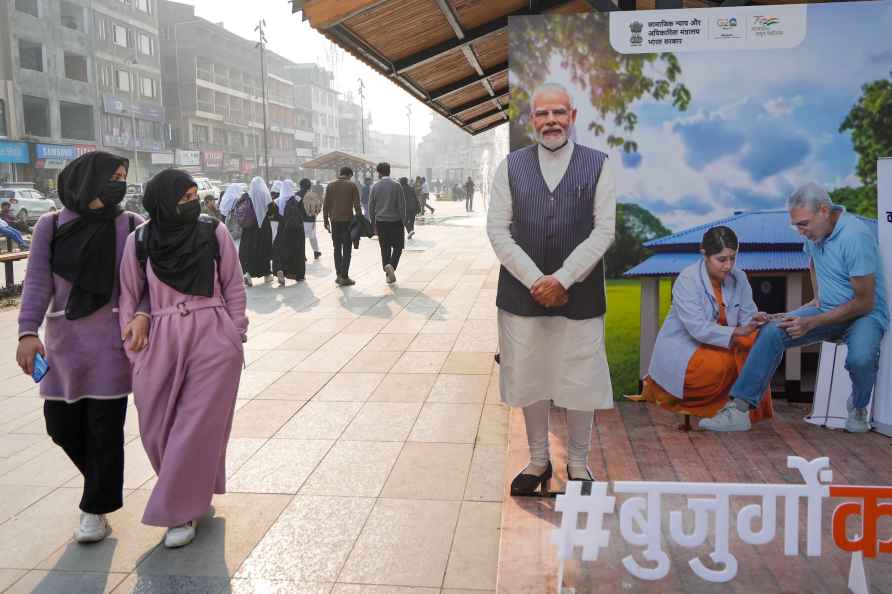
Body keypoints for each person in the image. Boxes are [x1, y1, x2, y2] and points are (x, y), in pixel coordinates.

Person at [487, 82, 616, 494]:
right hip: (521, 296)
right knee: (530, 376)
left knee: (580, 379)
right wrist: (535, 280)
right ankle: (538, 460)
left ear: (573, 117)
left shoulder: (599, 164)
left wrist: (562, 278)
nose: (551, 121)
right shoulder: (511, 166)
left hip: (579, 294)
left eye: (559, 113)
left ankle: (578, 464)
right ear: (531, 120)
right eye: (542, 114)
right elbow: (497, 230)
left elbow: (604, 230)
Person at [16, 151, 148, 542]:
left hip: (111, 345)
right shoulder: (51, 225)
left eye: (123, 176)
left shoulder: (130, 225)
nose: (119, 183)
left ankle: (95, 510)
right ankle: (100, 484)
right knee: (60, 427)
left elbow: (146, 284)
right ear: (87, 179)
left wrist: (142, 313)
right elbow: (37, 282)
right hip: (62, 348)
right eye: (113, 176)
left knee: (105, 431)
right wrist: (27, 332)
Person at [118, 169, 246, 548]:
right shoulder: (139, 240)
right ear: (162, 202)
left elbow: (234, 285)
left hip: (212, 335)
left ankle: (179, 512)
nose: (191, 204)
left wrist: (234, 335)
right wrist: (134, 349)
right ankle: (191, 490)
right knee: (157, 428)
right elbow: (129, 294)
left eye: (194, 197)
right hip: (159, 337)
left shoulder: (213, 232)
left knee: (195, 426)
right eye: (183, 198)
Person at [701, 183, 888, 433]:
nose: (800, 231)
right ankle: (738, 410)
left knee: (861, 359)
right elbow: (814, 263)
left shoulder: (855, 237)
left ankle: (858, 406)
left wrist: (811, 321)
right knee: (771, 332)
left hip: (864, 315)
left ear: (824, 210)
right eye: (796, 225)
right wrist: (814, 303)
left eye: (803, 224)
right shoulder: (816, 234)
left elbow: (864, 302)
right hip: (827, 311)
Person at [631, 226, 773, 426]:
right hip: (689, 348)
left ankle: (738, 413)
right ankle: (730, 413)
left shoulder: (739, 277)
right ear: (704, 254)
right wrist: (738, 331)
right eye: (721, 259)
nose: (728, 266)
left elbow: (747, 315)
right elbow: (698, 329)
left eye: (733, 258)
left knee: (759, 346)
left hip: (725, 341)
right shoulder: (687, 280)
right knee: (735, 360)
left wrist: (755, 320)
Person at [323, 167, 363, 286]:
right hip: (347, 222)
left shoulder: (330, 186)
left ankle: (339, 274)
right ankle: (344, 276)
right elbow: (357, 206)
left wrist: (326, 220)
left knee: (337, 248)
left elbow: (326, 205)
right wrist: (360, 220)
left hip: (334, 221)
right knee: (347, 249)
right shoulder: (352, 185)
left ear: (340, 174)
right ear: (350, 174)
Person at [369, 162, 406, 285]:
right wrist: (404, 222)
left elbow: (371, 207)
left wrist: (373, 224)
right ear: (389, 171)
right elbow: (402, 206)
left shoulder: (375, 187)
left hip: (381, 223)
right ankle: (391, 266)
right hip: (396, 222)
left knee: (384, 248)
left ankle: (387, 272)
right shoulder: (397, 185)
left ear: (379, 173)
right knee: (398, 247)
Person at [238, 177, 274, 286]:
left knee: (249, 250)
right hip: (263, 227)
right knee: (264, 249)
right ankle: (267, 274)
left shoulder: (245, 196)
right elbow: (272, 211)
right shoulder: (265, 194)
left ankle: (248, 273)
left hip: (249, 228)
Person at [271, 178, 306, 285]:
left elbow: (273, 216)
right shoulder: (297, 200)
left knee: (281, 251)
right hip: (297, 230)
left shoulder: (276, 202)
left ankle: (280, 269)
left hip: (282, 230)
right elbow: (303, 214)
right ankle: (298, 275)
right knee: (297, 251)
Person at [302, 181, 323, 260]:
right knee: (313, 237)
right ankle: (316, 252)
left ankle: (303, 255)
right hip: (311, 220)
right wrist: (315, 214)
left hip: (301, 220)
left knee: (302, 238)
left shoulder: (297, 195)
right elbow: (319, 206)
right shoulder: (313, 195)